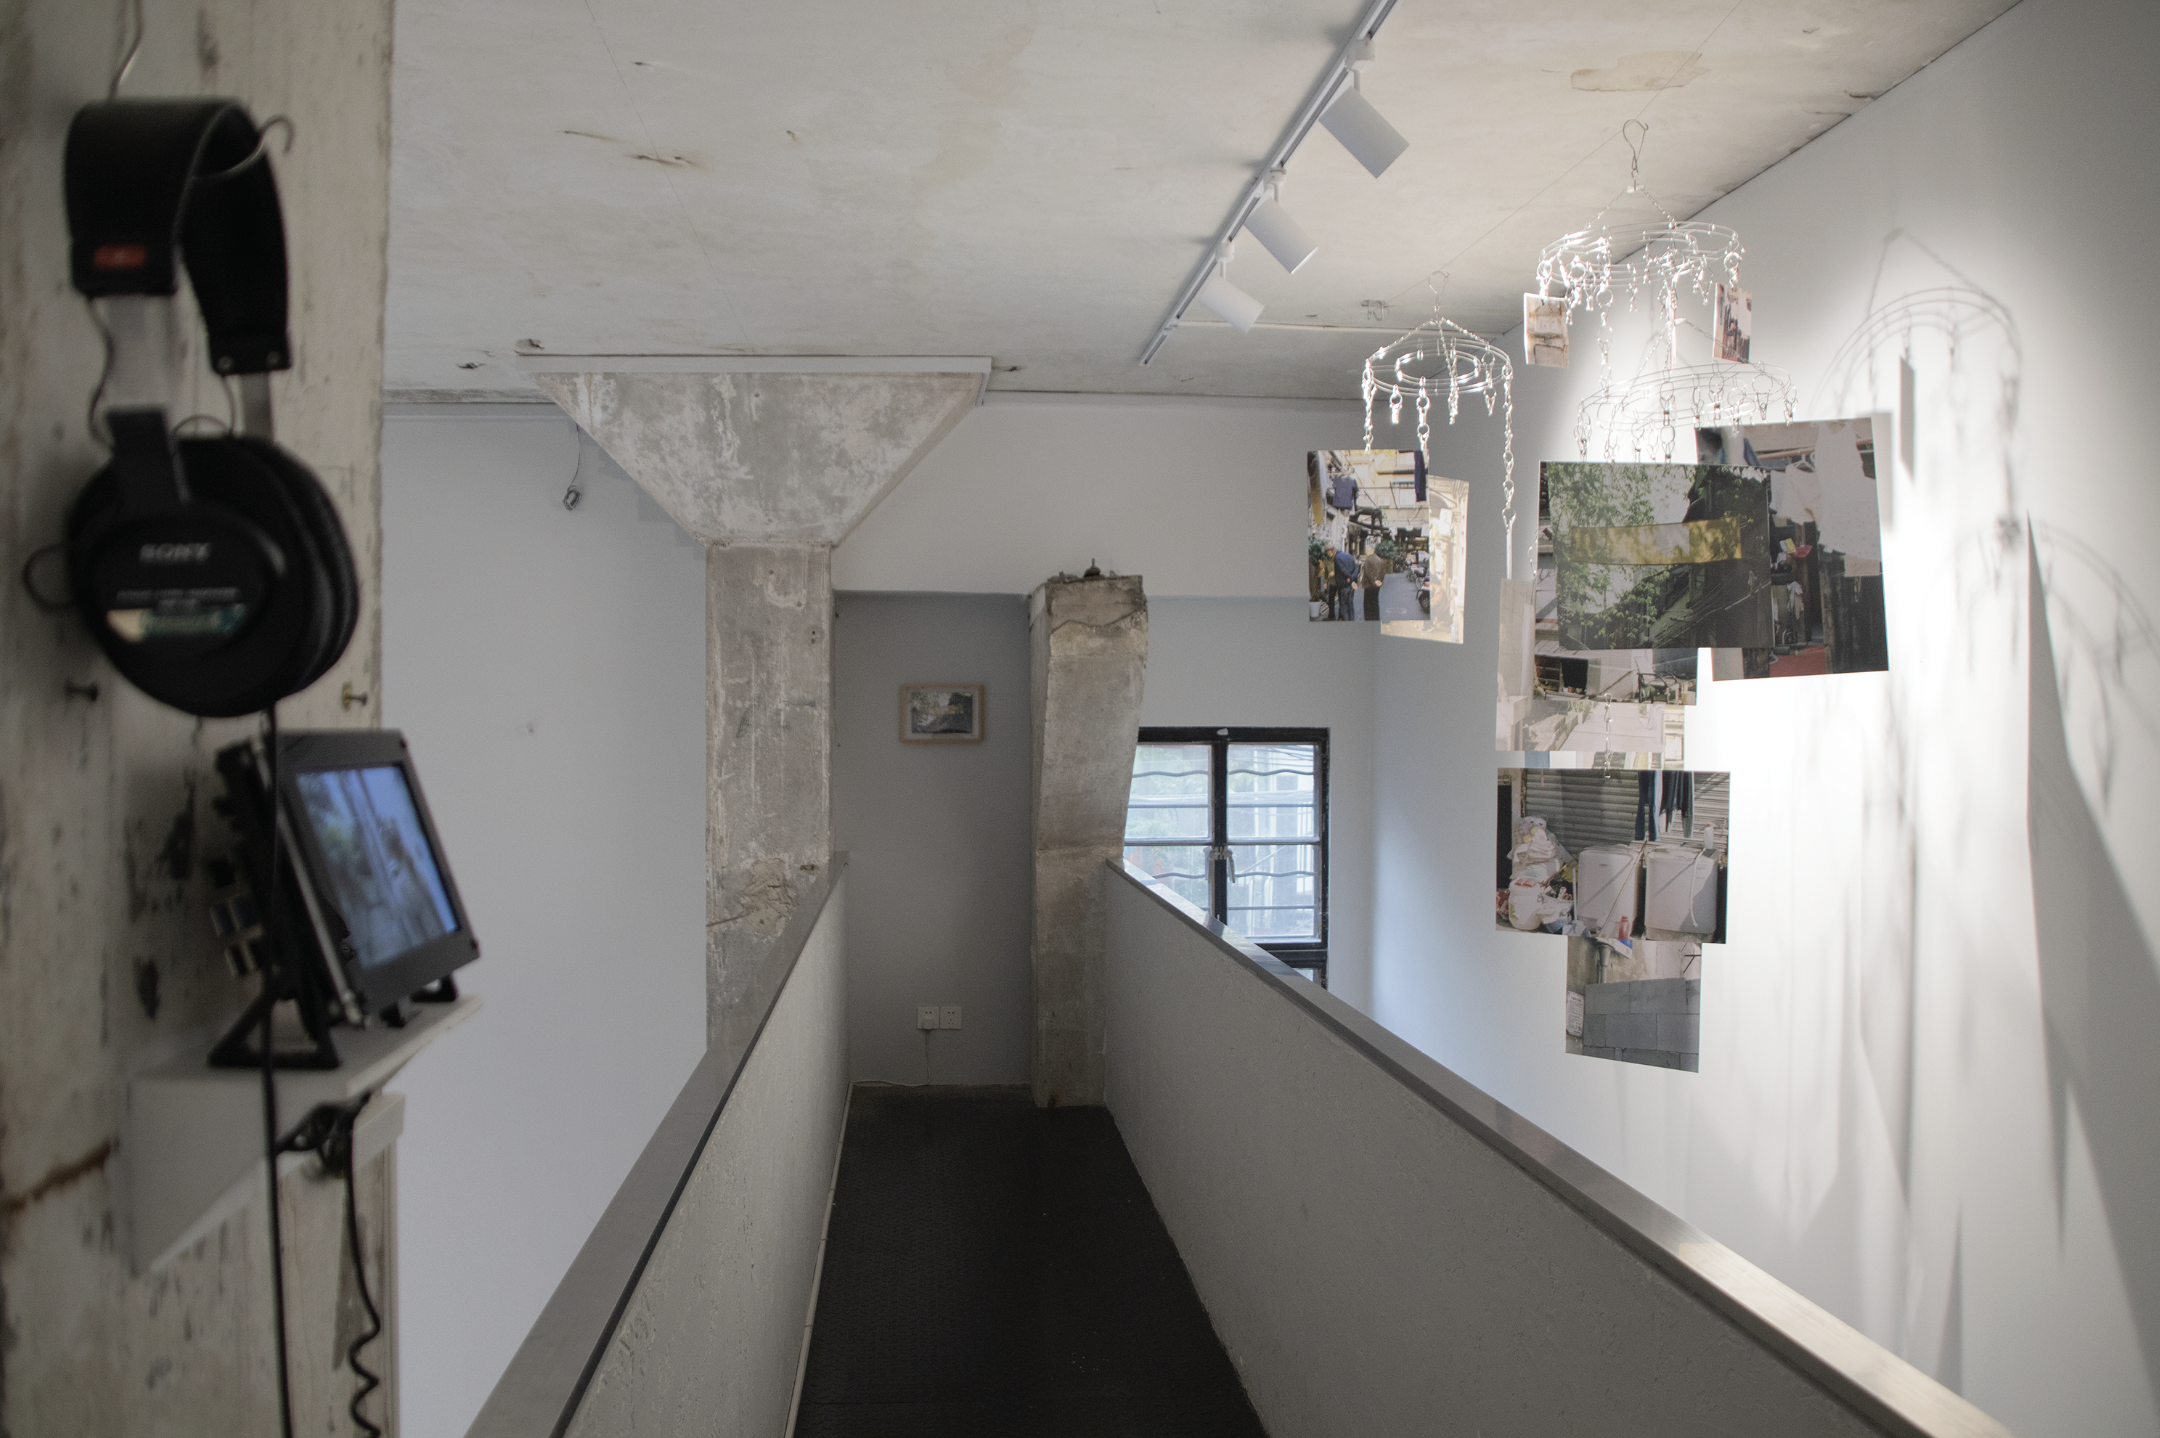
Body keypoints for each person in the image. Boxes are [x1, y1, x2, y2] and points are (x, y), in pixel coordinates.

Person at [1333, 544, 1360, 620]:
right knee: (1350, 604)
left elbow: (1343, 569)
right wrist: (1352, 578)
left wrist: (1349, 578)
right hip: (1351, 584)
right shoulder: (1350, 556)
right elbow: (1356, 568)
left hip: (1343, 584)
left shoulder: (1337, 557)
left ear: (1334, 550)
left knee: (1344, 605)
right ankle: (1351, 621)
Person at [1360, 547, 1387, 621]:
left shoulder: (1368, 560)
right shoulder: (1379, 560)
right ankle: (1376, 618)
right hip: (1377, 586)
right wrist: (1379, 581)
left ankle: (1369, 620)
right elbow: (1383, 572)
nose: (1366, 552)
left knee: (1367, 604)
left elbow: (1369, 573)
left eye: (1366, 550)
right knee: (1375, 602)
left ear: (1370, 551)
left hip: (1369, 585)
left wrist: (1374, 581)